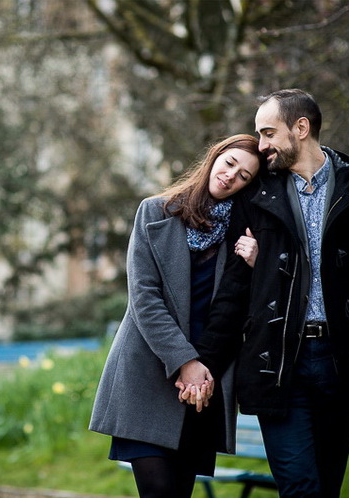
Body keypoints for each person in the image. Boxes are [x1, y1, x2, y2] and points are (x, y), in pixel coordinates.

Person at [194, 89, 349, 498]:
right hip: (278, 364)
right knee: (300, 486)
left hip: (344, 361)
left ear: (301, 128)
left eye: (267, 133)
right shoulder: (257, 195)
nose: (261, 146)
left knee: (325, 487)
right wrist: (204, 361)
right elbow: (234, 290)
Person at [89, 134, 264, 498]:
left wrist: (256, 265)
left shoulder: (243, 232)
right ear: (215, 157)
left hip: (204, 382)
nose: (232, 176)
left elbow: (245, 309)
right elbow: (144, 297)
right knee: (157, 489)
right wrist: (184, 361)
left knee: (179, 492)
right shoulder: (155, 211)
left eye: (245, 176)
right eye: (230, 163)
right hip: (149, 373)